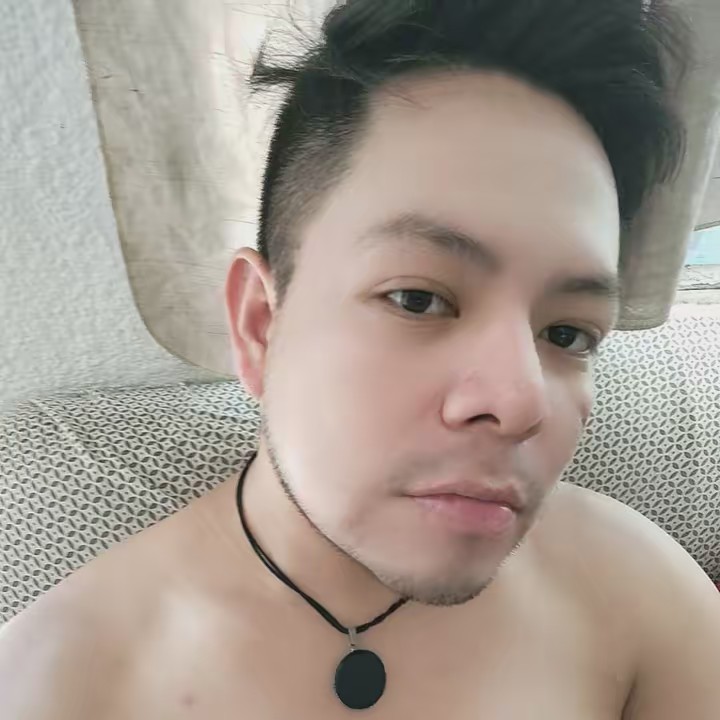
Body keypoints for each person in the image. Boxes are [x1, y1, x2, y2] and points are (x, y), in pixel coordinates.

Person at [2, 0, 720, 717]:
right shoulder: (58, 686)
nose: (521, 401)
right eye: (417, 299)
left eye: (567, 335)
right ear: (259, 325)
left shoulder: (640, 592)